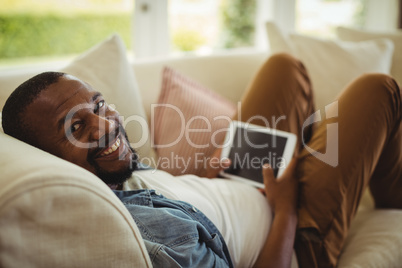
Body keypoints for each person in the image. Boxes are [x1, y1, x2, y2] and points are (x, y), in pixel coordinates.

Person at [2, 53, 401, 268]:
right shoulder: (153, 244)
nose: (104, 126)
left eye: (99, 105)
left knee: (284, 67)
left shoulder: (110, 170)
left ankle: (316, 153)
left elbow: (162, 196)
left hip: (243, 181)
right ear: (46, 154)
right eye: (74, 126)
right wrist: (285, 210)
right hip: (295, 238)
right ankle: (394, 201)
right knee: (379, 90)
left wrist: (205, 179)